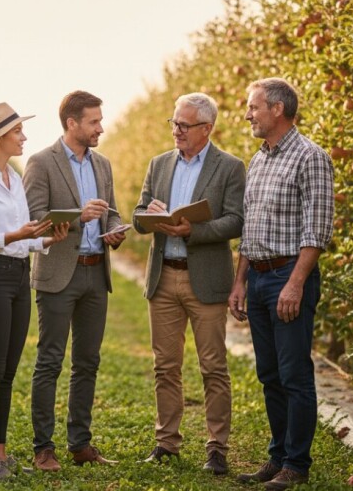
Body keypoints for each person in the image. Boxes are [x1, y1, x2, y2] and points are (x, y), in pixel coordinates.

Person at [228, 78, 334, 490]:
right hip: (257, 277)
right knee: (269, 373)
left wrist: (295, 284)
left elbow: (317, 230)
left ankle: (297, 463)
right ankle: (277, 456)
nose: (248, 114)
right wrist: (240, 281)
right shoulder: (259, 159)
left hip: (289, 278)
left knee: (294, 374)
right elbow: (249, 228)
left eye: (253, 107)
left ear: (277, 109)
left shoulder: (311, 157)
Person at [132, 92, 245, 475]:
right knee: (165, 366)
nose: (176, 130)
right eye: (174, 123)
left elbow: (235, 221)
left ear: (206, 128)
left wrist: (191, 230)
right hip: (164, 275)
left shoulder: (229, 167)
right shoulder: (159, 164)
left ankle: (217, 448)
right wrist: (148, 216)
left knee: (213, 367)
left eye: (184, 125)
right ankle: (167, 443)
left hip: (207, 280)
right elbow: (138, 212)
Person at [0, 102, 69, 480]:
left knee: (7, 372)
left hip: (20, 276)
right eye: (18, 131)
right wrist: (15, 235)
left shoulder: (13, 178)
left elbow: (23, 239)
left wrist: (46, 240)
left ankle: (1, 453)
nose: (24, 137)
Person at [22, 90, 125, 471]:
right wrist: (80, 217)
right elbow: (35, 222)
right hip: (58, 275)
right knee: (49, 361)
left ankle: (80, 444)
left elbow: (111, 212)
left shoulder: (102, 165)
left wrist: (114, 229)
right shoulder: (41, 162)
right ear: (72, 123)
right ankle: (43, 449)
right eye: (94, 121)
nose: (101, 127)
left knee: (88, 362)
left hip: (96, 272)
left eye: (100, 120)